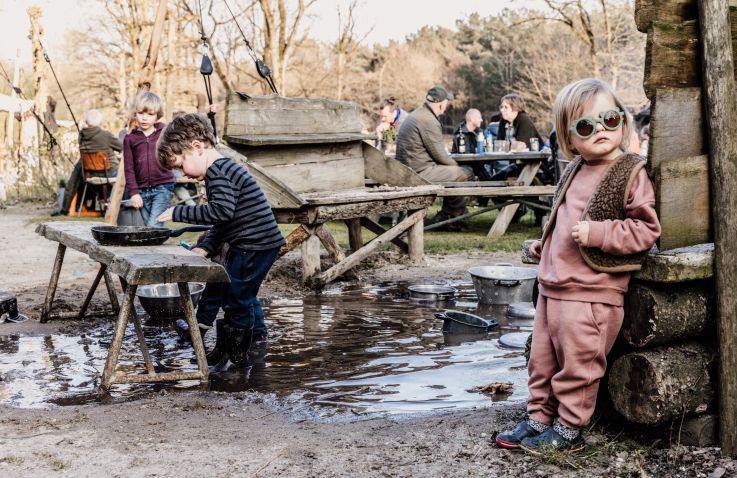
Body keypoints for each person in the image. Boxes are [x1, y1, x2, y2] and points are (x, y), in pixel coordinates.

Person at [495, 78, 661, 453]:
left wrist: (599, 233)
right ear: (570, 140)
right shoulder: (574, 169)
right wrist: (546, 243)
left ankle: (569, 428)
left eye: (610, 120)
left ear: (624, 122)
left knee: (579, 364)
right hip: (553, 287)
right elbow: (564, 216)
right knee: (542, 361)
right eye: (587, 126)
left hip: (591, 293)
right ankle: (539, 416)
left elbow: (646, 229)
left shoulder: (629, 172)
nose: (601, 130)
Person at [156, 113, 285, 368]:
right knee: (244, 295)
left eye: (181, 165)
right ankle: (253, 340)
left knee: (237, 299)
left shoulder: (217, 172)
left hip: (253, 245)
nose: (183, 173)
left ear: (196, 146)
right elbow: (225, 221)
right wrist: (207, 246)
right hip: (257, 244)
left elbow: (221, 212)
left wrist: (179, 212)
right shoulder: (223, 168)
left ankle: (236, 356)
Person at [396, 85, 474, 228]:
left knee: (458, 175)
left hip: (407, 171)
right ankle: (449, 215)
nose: (447, 105)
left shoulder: (418, 114)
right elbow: (441, 156)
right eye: (446, 102)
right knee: (466, 172)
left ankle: (452, 215)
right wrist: (456, 167)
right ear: (440, 103)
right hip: (418, 174)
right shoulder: (428, 120)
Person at [54, 109, 123, 216]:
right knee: (124, 173)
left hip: (89, 175)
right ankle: (117, 207)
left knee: (77, 173)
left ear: (86, 121)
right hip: (108, 173)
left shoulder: (81, 136)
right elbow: (121, 147)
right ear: (100, 121)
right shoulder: (106, 135)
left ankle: (66, 209)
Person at [124, 91, 175, 227]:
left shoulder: (165, 132)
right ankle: (158, 248)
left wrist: (209, 113)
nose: (144, 118)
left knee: (154, 226)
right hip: (141, 191)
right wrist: (134, 193)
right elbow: (128, 168)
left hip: (163, 186)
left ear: (157, 115)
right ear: (135, 113)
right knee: (150, 229)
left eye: (150, 114)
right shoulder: (130, 139)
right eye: (141, 113)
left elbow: (185, 129)